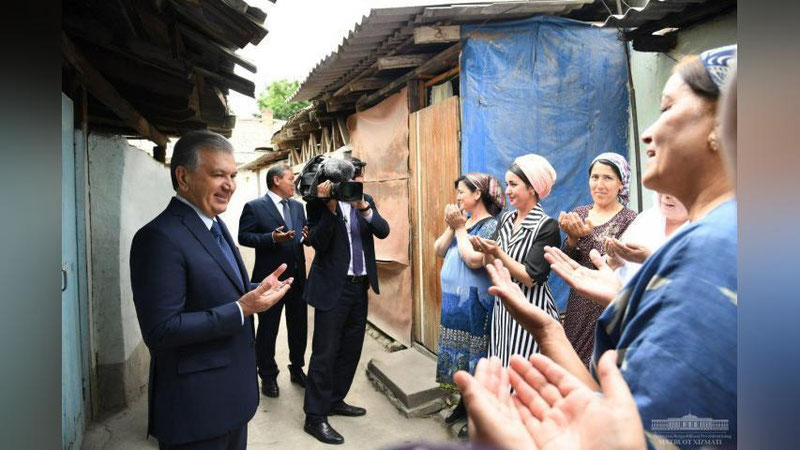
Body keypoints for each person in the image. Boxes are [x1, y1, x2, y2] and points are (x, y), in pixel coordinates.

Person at [464, 45, 738, 449]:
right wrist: (553, 330)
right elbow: (625, 412)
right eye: (594, 176)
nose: (648, 133)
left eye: (667, 109)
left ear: (727, 122)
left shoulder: (713, 249)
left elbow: (656, 434)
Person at [129, 130, 293, 449]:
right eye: (218, 174)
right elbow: (161, 330)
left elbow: (216, 289)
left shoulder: (214, 224)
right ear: (183, 177)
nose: (229, 185)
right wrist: (242, 309)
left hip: (233, 400)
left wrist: (257, 290)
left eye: (233, 175)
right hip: (196, 412)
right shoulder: (159, 238)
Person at [302, 157, 390, 445]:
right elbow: (318, 243)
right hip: (333, 289)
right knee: (325, 353)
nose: (358, 183)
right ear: (337, 181)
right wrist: (329, 208)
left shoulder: (366, 200)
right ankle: (315, 416)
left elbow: (383, 230)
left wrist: (363, 207)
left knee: (351, 350)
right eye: (353, 179)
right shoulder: (317, 204)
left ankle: (335, 400)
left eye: (360, 178)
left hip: (359, 287)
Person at [468, 154, 561, 368]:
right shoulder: (506, 219)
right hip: (504, 309)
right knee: (503, 366)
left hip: (532, 309)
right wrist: (485, 251)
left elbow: (530, 277)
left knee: (526, 370)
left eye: (513, 184)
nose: (507, 190)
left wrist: (498, 252)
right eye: (507, 184)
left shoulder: (547, 227)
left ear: (532, 188)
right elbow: (491, 262)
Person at [432, 173, 504, 436]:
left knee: (476, 358)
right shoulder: (464, 222)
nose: (458, 197)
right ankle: (463, 404)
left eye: (462, 191)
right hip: (454, 305)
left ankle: (476, 415)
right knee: (459, 358)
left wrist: (460, 228)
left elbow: (474, 260)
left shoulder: (491, 225)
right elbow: (439, 249)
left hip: (476, 304)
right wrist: (453, 226)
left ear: (477, 194)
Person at [558, 152, 637, 367]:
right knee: (573, 365)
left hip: (605, 305)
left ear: (621, 184)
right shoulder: (579, 214)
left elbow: (620, 264)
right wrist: (572, 238)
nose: (599, 184)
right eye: (595, 177)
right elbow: (566, 262)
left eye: (608, 178)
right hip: (578, 303)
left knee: (600, 364)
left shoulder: (630, 220)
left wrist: (588, 238)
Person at [238, 163, 308, 398]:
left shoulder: (298, 207)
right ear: (277, 180)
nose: (294, 183)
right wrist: (271, 238)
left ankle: (297, 368)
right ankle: (268, 375)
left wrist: (307, 237)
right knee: (268, 329)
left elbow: (302, 235)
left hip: (297, 278)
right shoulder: (255, 207)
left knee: (298, 327)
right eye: (290, 178)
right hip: (269, 280)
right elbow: (244, 237)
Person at [604, 192, 689, 288]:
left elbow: (691, 282)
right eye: (662, 187)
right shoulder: (646, 219)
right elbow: (623, 273)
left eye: (674, 189)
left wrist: (650, 260)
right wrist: (615, 261)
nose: (666, 195)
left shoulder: (699, 230)